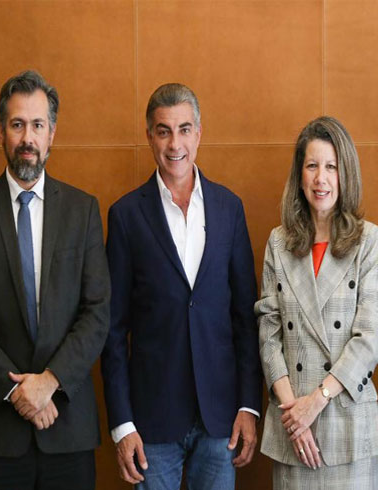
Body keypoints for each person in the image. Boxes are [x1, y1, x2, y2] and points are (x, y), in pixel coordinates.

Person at [0, 70, 111, 490]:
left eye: (38, 125)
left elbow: (96, 312)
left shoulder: (82, 211)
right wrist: (18, 393)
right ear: (1, 131)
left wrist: (49, 382)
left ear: (52, 133)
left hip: (66, 426)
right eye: (17, 124)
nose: (27, 138)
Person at [101, 83, 262, 490]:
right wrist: (122, 424)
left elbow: (246, 318)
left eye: (184, 129)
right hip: (151, 423)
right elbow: (112, 330)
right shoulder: (125, 216)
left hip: (220, 419)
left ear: (199, 133)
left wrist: (248, 405)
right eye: (164, 131)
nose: (175, 144)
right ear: (149, 136)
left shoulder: (229, 208)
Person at [255, 116, 378, 489]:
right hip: (293, 430)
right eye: (312, 166)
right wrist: (294, 417)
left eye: (331, 167)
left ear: (345, 174)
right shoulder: (278, 243)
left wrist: (316, 401)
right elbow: (269, 336)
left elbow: (369, 338)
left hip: (348, 424)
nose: (321, 178)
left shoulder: (367, 240)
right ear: (299, 176)